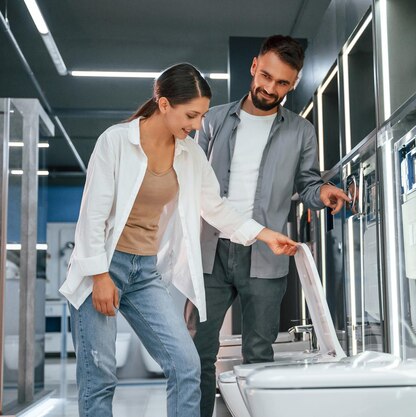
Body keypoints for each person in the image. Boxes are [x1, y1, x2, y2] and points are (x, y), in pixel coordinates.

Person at [59, 63, 297, 417]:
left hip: (144, 271)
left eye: (201, 115)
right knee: (100, 376)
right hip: (104, 265)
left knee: (186, 366)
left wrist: (263, 235)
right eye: (191, 114)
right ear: (164, 104)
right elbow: (93, 215)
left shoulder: (190, 153)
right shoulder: (116, 141)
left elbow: (214, 208)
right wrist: (98, 276)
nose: (198, 125)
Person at [189, 35, 350, 416]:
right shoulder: (212, 120)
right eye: (266, 76)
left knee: (259, 356)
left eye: (282, 83)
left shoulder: (301, 131)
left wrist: (323, 192)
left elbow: (307, 185)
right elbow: (193, 180)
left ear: (293, 84)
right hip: (210, 250)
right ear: (254, 66)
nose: (270, 88)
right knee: (195, 352)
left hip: (267, 253)